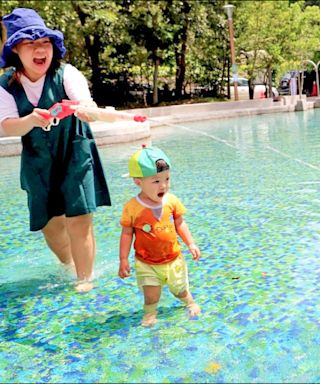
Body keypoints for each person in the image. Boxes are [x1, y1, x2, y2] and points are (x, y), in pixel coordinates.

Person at [0, 8, 111, 292]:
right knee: (50, 226)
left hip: (75, 151)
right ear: (16, 50)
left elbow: (86, 104)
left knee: (79, 218)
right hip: (38, 160)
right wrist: (31, 120)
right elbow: (8, 127)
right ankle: (68, 265)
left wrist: (88, 111)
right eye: (32, 44)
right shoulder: (5, 86)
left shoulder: (67, 74)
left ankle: (84, 279)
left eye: (45, 43)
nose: (41, 50)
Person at [118, 145, 201, 327]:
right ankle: (150, 313)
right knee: (151, 295)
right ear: (138, 182)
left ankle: (190, 302)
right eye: (156, 181)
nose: (163, 185)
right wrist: (123, 259)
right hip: (147, 262)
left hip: (173, 259)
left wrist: (191, 244)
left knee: (179, 290)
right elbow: (126, 233)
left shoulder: (171, 201)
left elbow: (180, 223)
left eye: (167, 179)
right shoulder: (133, 207)